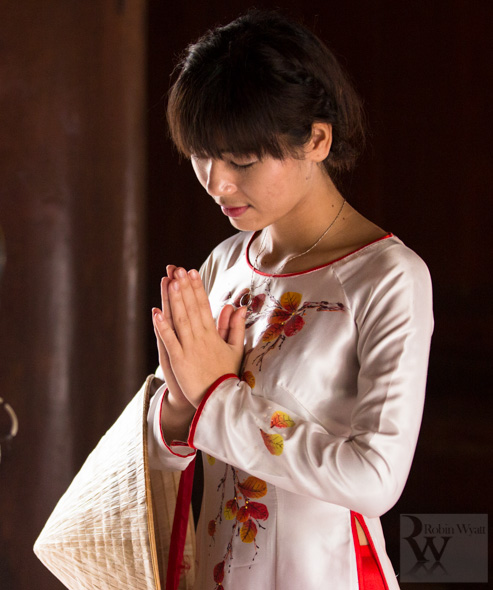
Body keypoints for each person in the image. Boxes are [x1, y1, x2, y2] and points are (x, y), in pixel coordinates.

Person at [149, 9, 433, 590]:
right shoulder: (225, 264)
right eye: (203, 155)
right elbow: (166, 441)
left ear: (316, 139)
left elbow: (376, 477)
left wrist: (215, 397)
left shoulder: (387, 278)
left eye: (242, 161)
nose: (217, 182)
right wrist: (176, 408)